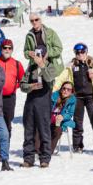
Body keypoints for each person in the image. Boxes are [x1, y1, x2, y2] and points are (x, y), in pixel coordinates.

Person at [20, 15, 63, 169]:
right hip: (31, 100)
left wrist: (43, 64)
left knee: (44, 129)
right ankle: (28, 158)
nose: (34, 22)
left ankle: (45, 158)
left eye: (37, 19)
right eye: (32, 20)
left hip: (44, 99)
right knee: (29, 130)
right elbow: (22, 85)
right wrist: (30, 87)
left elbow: (50, 77)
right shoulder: (31, 67)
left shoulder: (50, 67)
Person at [61, 42, 93, 154]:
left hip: (91, 96)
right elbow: (62, 79)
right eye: (77, 52)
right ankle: (77, 146)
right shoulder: (72, 66)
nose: (80, 54)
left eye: (82, 52)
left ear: (86, 52)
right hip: (77, 97)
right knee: (77, 122)